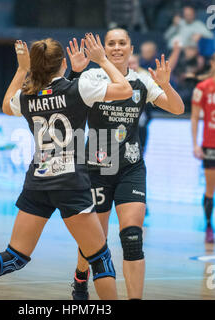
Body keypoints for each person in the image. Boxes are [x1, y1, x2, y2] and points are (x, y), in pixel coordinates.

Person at [0, 34, 133, 300]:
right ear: (62, 64)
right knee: (100, 257)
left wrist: (22, 69)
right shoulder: (80, 87)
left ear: (35, 66)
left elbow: (6, 105)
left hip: (38, 180)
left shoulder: (27, 95)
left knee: (15, 255)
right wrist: (101, 60)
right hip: (71, 183)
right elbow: (125, 90)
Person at [67, 28, 184, 300]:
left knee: (132, 238)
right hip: (97, 166)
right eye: (111, 43)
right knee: (96, 240)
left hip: (131, 166)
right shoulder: (91, 76)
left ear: (131, 49)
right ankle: (80, 275)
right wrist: (74, 72)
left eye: (122, 43)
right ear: (104, 49)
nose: (117, 47)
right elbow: (68, 108)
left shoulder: (142, 81)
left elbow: (177, 109)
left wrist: (165, 85)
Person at [191, 53, 215, 243]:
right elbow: (194, 117)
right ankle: (208, 226)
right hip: (210, 144)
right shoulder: (202, 88)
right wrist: (195, 144)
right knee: (210, 188)